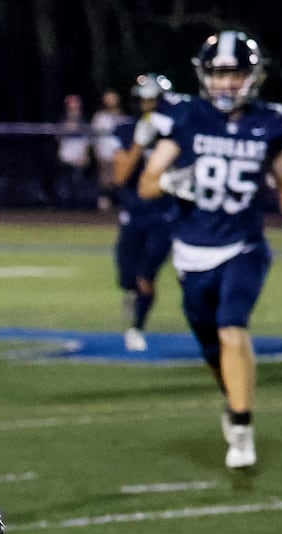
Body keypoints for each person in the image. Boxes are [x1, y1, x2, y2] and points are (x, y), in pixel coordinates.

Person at [138, 30, 282, 470]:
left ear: (253, 76)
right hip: (192, 251)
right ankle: (233, 403)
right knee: (213, 349)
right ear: (204, 76)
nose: (227, 83)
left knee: (233, 329)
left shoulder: (270, 122)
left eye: (235, 74)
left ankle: (243, 429)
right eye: (218, 73)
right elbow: (147, 183)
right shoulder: (188, 117)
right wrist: (174, 181)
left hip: (244, 246)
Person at [110, 73, 180, 352]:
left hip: (164, 214)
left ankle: (137, 328)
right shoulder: (127, 130)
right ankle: (132, 297)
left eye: (154, 100)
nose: (149, 106)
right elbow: (120, 176)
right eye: (145, 100)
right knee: (127, 277)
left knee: (145, 277)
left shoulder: (177, 130)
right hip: (133, 214)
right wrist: (139, 143)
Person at [90, 88, 130, 212]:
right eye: (108, 99)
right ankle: (104, 206)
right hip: (105, 153)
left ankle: (120, 205)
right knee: (105, 180)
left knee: (120, 180)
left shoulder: (123, 117)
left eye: (113, 98)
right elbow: (94, 136)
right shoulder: (100, 117)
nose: (110, 101)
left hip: (120, 154)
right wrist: (96, 151)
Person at [55, 94, 92, 209]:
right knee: (65, 185)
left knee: (79, 183)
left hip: (79, 159)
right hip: (66, 159)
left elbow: (87, 142)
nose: (74, 110)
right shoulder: (63, 122)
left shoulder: (83, 122)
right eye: (71, 107)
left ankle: (80, 209)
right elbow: (58, 140)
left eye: (76, 107)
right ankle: (64, 207)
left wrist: (86, 156)